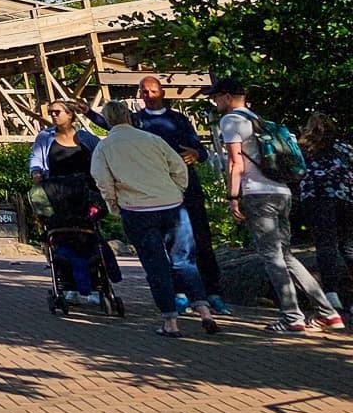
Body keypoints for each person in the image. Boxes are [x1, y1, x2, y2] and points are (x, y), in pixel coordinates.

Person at [211, 77, 344, 335]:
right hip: (282, 191)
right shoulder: (262, 121)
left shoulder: (231, 121)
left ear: (227, 97)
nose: (214, 102)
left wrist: (232, 197)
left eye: (216, 97)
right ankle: (328, 313)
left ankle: (292, 316)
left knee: (272, 258)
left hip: (258, 195)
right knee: (286, 256)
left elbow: (235, 163)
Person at [90, 100, 220, 336]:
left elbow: (102, 180)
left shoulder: (104, 147)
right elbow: (178, 166)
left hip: (137, 209)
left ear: (108, 120)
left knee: (155, 264)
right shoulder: (151, 139)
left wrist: (114, 205)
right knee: (184, 261)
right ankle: (204, 311)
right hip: (171, 204)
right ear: (129, 117)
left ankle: (170, 322)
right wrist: (177, 190)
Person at [130, 74, 230, 314]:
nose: (149, 95)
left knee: (201, 240)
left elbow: (200, 150)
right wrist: (89, 114)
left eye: (153, 91)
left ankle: (212, 292)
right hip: (157, 192)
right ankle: (178, 293)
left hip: (188, 189)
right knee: (168, 244)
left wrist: (196, 154)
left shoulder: (178, 119)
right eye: (144, 91)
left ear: (162, 92)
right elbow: (113, 127)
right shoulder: (136, 121)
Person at [30, 98, 106, 300]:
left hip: (83, 194)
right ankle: (68, 284)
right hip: (57, 194)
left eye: (57, 112)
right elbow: (36, 159)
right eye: (51, 112)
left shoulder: (86, 138)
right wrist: (36, 171)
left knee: (88, 237)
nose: (53, 115)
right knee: (62, 238)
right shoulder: (45, 137)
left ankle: (94, 283)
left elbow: (102, 154)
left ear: (70, 114)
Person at [296, 113, 353, 314]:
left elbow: (295, 172)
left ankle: (331, 294)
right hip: (345, 199)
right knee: (348, 246)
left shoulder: (304, 148)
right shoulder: (344, 147)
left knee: (325, 245)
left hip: (317, 199)